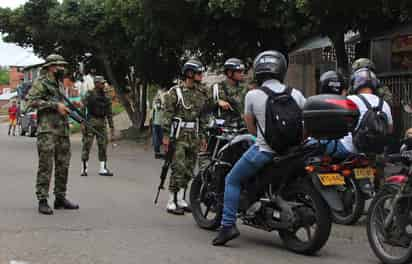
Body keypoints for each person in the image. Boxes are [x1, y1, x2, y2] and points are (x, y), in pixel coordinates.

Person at [212, 50, 306, 246]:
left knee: (232, 180)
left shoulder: (253, 95)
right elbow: (305, 125)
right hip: (293, 153)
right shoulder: (296, 94)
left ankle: (227, 226)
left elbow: (250, 127)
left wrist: (263, 139)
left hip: (264, 151)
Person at [27, 54, 79, 215]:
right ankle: (42, 200)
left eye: (63, 66)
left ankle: (60, 198)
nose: (62, 68)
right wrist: (54, 105)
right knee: (46, 165)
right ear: (51, 67)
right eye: (59, 66)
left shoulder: (59, 84)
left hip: (62, 130)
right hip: (47, 130)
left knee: (63, 164)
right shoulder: (41, 82)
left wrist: (71, 105)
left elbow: (61, 104)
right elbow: (31, 101)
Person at [162, 59, 209, 215]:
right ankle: (171, 201)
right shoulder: (175, 92)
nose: (201, 75)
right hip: (178, 135)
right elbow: (167, 115)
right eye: (198, 73)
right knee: (178, 167)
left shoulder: (201, 93)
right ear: (189, 74)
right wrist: (166, 136)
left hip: (193, 135)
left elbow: (202, 117)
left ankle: (181, 199)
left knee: (189, 168)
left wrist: (202, 137)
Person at [321, 68, 393, 159]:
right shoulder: (384, 104)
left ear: (355, 83)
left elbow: (334, 122)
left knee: (311, 143)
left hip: (348, 148)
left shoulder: (351, 100)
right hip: (374, 153)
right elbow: (390, 129)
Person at [80, 76, 115, 177]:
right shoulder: (89, 94)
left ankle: (103, 168)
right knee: (87, 145)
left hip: (102, 123)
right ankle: (84, 168)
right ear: (96, 84)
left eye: (104, 83)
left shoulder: (106, 96)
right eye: (102, 83)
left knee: (103, 145)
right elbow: (83, 107)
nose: (104, 85)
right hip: (90, 122)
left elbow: (109, 113)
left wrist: (112, 127)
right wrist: (82, 122)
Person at [211, 58, 247, 123]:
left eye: (243, 71)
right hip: (225, 128)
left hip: (244, 127)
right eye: (239, 72)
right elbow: (205, 106)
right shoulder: (217, 87)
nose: (242, 74)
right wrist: (217, 102)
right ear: (229, 72)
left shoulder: (245, 88)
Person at [152, 88, 166, 159]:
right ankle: (157, 154)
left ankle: (163, 153)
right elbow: (157, 107)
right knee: (157, 139)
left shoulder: (164, 99)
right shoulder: (157, 100)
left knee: (162, 138)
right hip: (157, 122)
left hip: (162, 122)